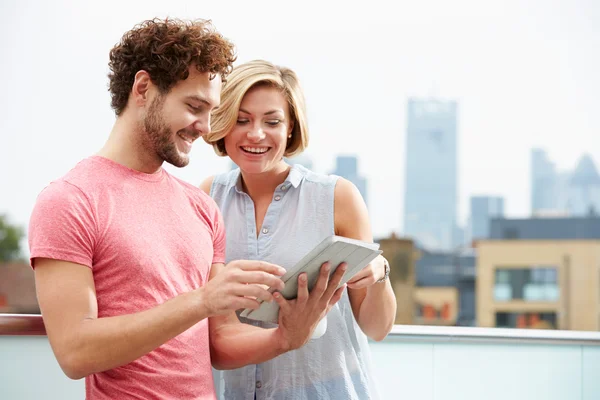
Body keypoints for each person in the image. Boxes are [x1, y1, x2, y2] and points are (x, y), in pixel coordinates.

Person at [28, 19, 346, 400]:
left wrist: (286, 337)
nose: (206, 127)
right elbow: (75, 352)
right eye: (195, 107)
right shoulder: (70, 200)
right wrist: (201, 300)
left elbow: (221, 339)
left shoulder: (200, 207)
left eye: (211, 111)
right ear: (143, 88)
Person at [201, 60, 397, 399]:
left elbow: (377, 328)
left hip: (328, 391)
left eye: (272, 121)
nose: (256, 133)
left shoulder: (337, 197)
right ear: (223, 123)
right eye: (242, 119)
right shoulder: (206, 198)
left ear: (291, 127)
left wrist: (379, 274)